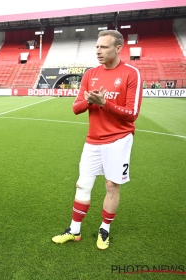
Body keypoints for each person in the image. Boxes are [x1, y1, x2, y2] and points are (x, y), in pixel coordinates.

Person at [51, 30, 142, 250]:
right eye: (97, 47)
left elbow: (133, 113)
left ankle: (104, 229)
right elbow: (76, 108)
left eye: (104, 47)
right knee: (82, 184)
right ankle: (74, 230)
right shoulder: (90, 74)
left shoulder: (131, 73)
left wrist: (104, 103)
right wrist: (92, 101)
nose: (98, 51)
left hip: (119, 139)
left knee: (111, 185)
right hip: (93, 140)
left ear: (118, 48)